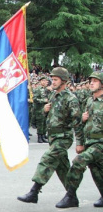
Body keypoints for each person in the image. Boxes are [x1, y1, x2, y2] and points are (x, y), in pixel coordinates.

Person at [17, 67, 84, 204]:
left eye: (55, 79)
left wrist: (80, 142)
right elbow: (53, 117)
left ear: (64, 81)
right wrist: (45, 111)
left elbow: (77, 122)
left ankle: (34, 191)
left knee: (47, 159)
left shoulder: (71, 99)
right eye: (52, 79)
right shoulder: (54, 96)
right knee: (62, 168)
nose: (52, 82)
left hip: (63, 137)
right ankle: (71, 196)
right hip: (53, 137)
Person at [55, 71, 103, 208]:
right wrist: (80, 142)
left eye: (95, 81)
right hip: (89, 142)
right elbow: (81, 124)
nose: (91, 83)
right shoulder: (89, 101)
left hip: (100, 144)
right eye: (90, 81)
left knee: (78, 162)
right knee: (97, 172)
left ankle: (70, 195)